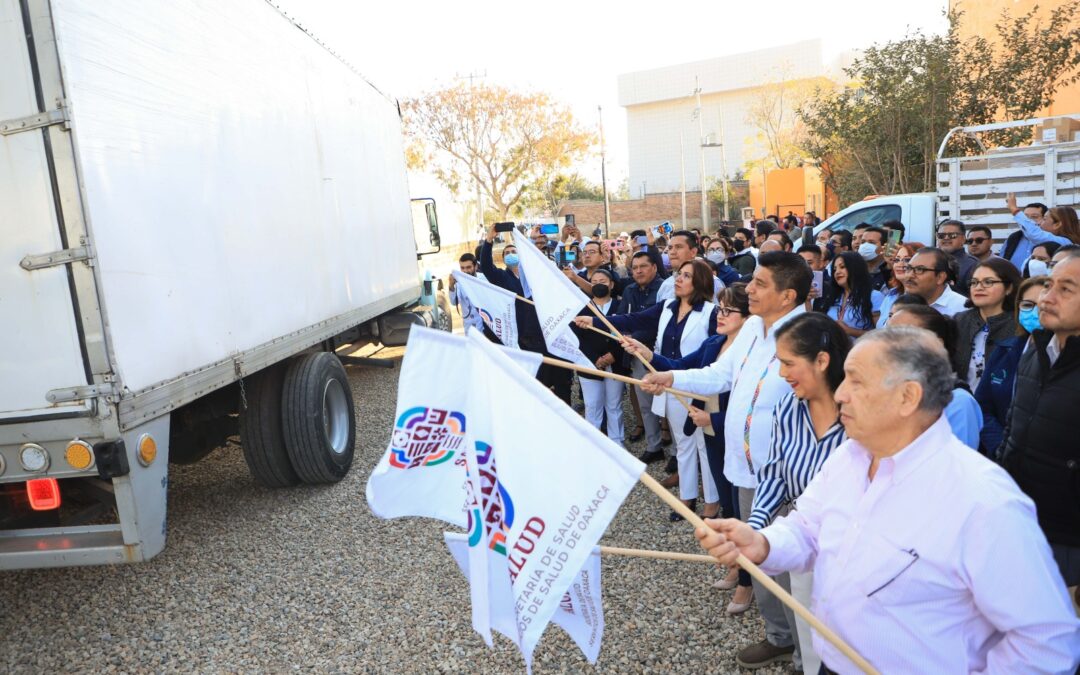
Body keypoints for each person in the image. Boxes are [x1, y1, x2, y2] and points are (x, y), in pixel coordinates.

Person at [695, 327, 1080, 674]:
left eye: (856, 381)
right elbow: (807, 529)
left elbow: (1045, 642)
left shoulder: (984, 500)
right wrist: (762, 543)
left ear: (907, 397)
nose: (840, 394)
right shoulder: (849, 457)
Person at [641, 251, 811, 671]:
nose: (747, 289)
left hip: (785, 477)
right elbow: (720, 375)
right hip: (743, 468)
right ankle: (779, 637)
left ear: (788, 296)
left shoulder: (810, 336)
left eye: (759, 283)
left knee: (793, 572)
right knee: (759, 560)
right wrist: (672, 378)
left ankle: (808, 655)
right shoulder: (752, 327)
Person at [622, 284, 755, 613]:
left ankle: (748, 582)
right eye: (719, 308)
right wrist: (648, 354)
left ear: (749, 317)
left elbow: (752, 404)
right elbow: (682, 367)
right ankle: (736, 567)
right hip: (710, 433)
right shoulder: (713, 344)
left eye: (728, 311)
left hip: (734, 436)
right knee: (727, 505)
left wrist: (715, 418)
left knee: (743, 511)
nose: (720, 315)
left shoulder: (753, 351)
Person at [747, 312, 849, 675]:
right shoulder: (788, 406)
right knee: (808, 633)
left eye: (789, 363)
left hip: (847, 548)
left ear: (822, 360)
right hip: (798, 535)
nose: (781, 374)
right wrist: (755, 529)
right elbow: (774, 473)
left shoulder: (861, 415)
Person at [578, 259, 719, 517]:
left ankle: (712, 502)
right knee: (683, 444)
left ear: (700, 281)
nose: (678, 279)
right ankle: (687, 498)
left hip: (698, 387)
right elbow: (632, 319)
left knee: (703, 445)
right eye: (678, 274)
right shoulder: (666, 306)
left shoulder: (711, 313)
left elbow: (712, 354)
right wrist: (594, 321)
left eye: (686, 276)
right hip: (669, 383)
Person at [1000, 248, 1080, 593]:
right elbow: (1014, 424)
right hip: (1019, 523)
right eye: (1049, 284)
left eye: (1066, 289)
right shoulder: (1036, 349)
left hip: (1069, 543)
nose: (1047, 298)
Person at [479, 225, 571, 403]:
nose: (511, 254)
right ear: (503, 259)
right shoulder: (501, 277)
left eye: (514, 251)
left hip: (547, 330)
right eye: (507, 253)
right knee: (539, 380)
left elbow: (543, 261)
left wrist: (533, 239)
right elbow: (487, 267)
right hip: (526, 337)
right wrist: (489, 240)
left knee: (560, 378)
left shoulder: (532, 273)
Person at [887, 305, 983, 450]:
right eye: (887, 334)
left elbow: (956, 460)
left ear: (936, 343)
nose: (890, 343)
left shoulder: (958, 402)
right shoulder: (883, 389)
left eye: (903, 335)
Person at [977, 275, 1046, 459]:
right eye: (1027, 305)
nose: (1035, 312)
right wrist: (1000, 447)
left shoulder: (1066, 356)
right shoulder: (1004, 350)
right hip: (1001, 455)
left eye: (1042, 305)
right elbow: (983, 405)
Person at [619, 251, 666, 463]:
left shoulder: (664, 289)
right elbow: (623, 318)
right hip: (636, 355)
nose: (638, 271)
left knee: (670, 404)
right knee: (645, 403)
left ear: (654, 267)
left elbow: (657, 322)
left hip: (659, 353)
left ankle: (677, 452)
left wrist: (634, 337)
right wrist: (624, 336)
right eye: (634, 268)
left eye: (643, 266)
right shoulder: (629, 290)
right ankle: (654, 446)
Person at [572, 268, 627, 444]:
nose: (598, 285)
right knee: (592, 405)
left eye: (602, 282)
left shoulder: (621, 306)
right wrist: (595, 358)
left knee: (614, 405)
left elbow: (625, 332)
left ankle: (617, 443)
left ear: (611, 284)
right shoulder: (582, 307)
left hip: (615, 363)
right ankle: (593, 445)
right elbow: (576, 338)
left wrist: (613, 354)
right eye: (594, 282)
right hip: (589, 364)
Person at [954, 258, 1021, 392]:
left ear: (1009, 288)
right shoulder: (959, 321)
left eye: (988, 282)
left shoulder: (1020, 325)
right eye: (974, 282)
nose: (978, 287)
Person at [822, 251, 883, 338]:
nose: (837, 272)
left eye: (842, 267)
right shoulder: (833, 296)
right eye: (834, 269)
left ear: (856, 268)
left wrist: (850, 331)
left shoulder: (874, 296)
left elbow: (881, 335)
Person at [1006, 194, 1080, 264]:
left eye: (1044, 219)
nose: (1040, 223)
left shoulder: (1064, 242)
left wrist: (1014, 209)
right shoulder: (1016, 237)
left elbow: (1035, 234)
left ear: (1057, 224)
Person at [655, 231, 723, 303]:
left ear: (693, 252)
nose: (672, 252)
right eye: (670, 248)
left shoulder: (712, 282)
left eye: (678, 247)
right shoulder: (666, 285)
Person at [902, 247, 968, 316]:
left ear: (940, 277)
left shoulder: (962, 308)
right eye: (908, 268)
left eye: (919, 269)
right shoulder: (902, 305)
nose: (910, 275)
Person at [876, 242, 925, 328]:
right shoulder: (890, 296)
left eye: (907, 260)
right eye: (896, 260)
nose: (900, 264)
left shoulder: (925, 298)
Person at [935, 219, 978, 297]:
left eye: (952, 235)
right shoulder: (929, 260)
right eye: (941, 235)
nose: (946, 238)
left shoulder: (972, 265)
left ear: (963, 239)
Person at [1000, 201, 1048, 268]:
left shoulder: (1049, 239)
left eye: (1034, 217)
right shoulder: (1013, 238)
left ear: (1044, 219)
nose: (1028, 221)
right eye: (1025, 217)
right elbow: (1002, 262)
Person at [448, 253, 487, 333]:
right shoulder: (458, 282)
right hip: (470, 325)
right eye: (462, 268)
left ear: (475, 266)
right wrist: (451, 286)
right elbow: (454, 302)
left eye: (468, 267)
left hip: (486, 324)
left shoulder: (484, 279)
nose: (465, 271)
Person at [856, 227, 890, 291]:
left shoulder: (889, 272)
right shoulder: (854, 270)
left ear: (884, 247)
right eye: (863, 242)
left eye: (871, 242)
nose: (865, 246)